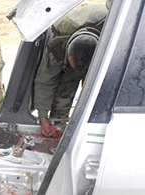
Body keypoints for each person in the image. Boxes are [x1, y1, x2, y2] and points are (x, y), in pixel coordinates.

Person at [34, 4, 109, 137]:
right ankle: (59, 125)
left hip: (102, 56)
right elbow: (44, 82)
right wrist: (43, 118)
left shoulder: (115, 31)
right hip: (70, 43)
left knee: (99, 98)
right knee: (61, 101)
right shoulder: (57, 44)